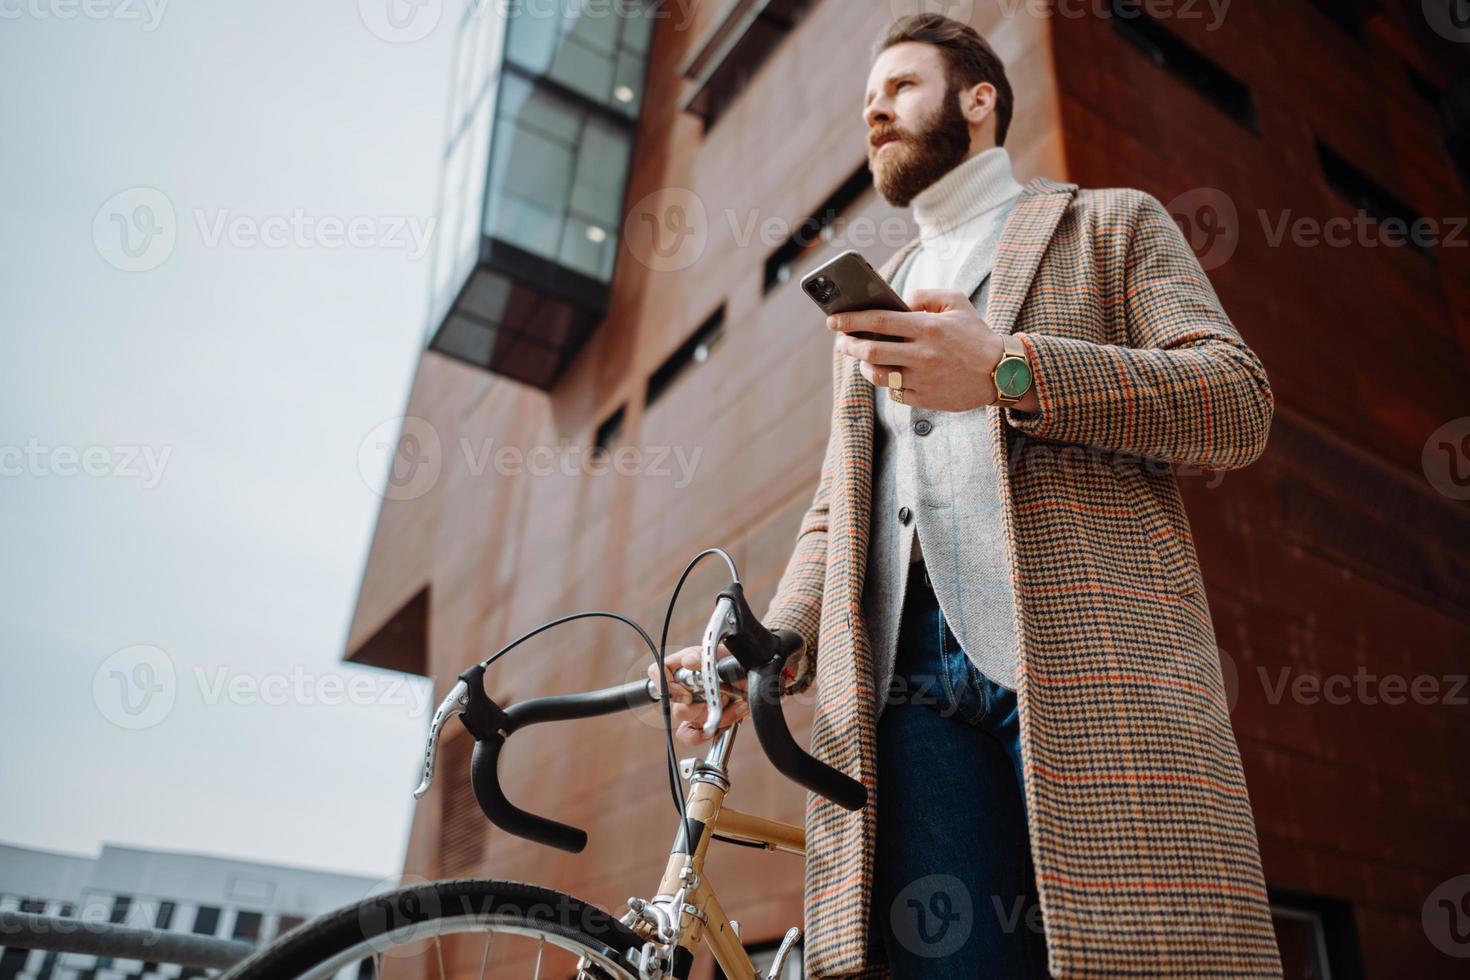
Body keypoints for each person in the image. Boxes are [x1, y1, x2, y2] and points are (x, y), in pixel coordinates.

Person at [650, 12, 1281, 979]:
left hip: (1086, 661)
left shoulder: (1110, 223)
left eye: (900, 87)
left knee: (1144, 953)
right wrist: (768, 650)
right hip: (903, 699)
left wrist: (1011, 373)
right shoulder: (876, 296)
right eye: (870, 101)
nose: (876, 111)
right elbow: (839, 508)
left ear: (979, 100)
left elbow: (1236, 404)